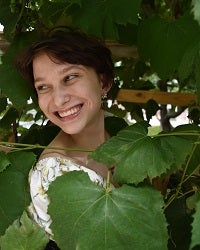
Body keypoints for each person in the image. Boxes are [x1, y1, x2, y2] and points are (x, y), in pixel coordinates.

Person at [16, 27, 115, 247]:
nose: (59, 100)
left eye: (70, 77)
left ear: (104, 82)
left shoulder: (117, 130)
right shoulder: (53, 174)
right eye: (43, 87)